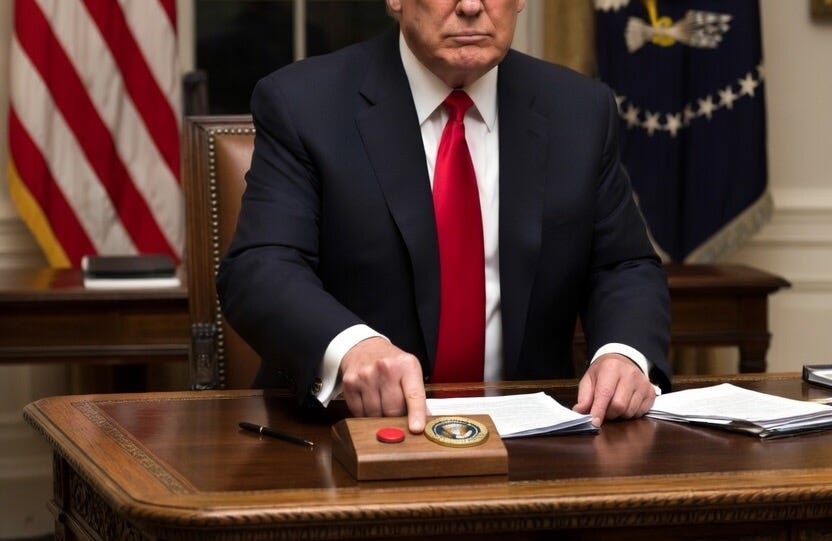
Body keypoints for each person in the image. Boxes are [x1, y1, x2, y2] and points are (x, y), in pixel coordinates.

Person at [217, 0, 672, 435]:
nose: (470, 6)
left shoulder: (580, 110)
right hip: (345, 436)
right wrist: (351, 346)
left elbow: (623, 265)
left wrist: (623, 353)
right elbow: (261, 267)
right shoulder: (304, 104)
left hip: (538, 443)